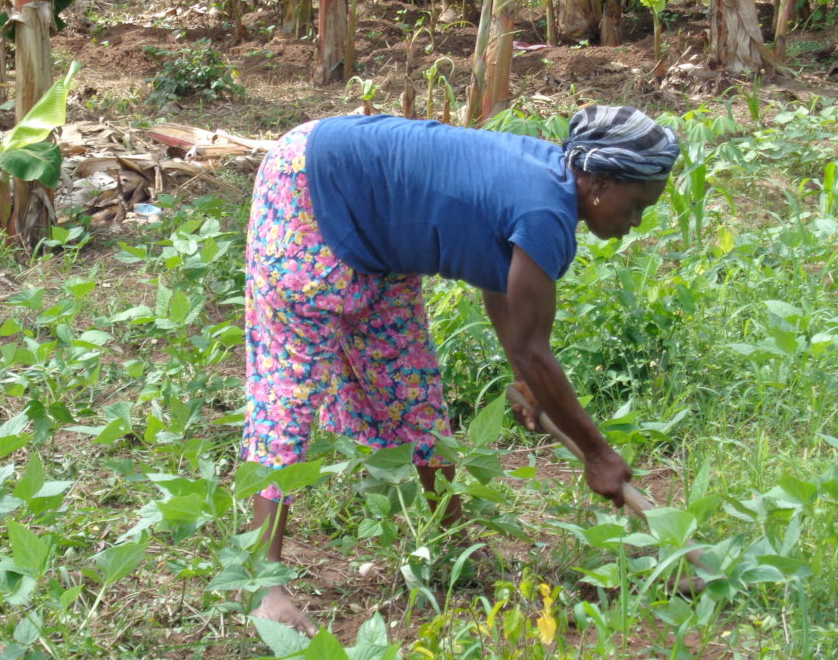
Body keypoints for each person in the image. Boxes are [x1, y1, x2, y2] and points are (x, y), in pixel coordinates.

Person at [239, 106, 680, 635]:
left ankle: (450, 546)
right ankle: (264, 586)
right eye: (637, 207)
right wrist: (598, 455)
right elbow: (535, 352)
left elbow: (497, 277)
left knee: (412, 386)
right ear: (602, 183)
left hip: (377, 223)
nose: (637, 223)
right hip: (309, 183)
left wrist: (526, 384)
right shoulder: (547, 212)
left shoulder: (550, 186)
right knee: (289, 388)